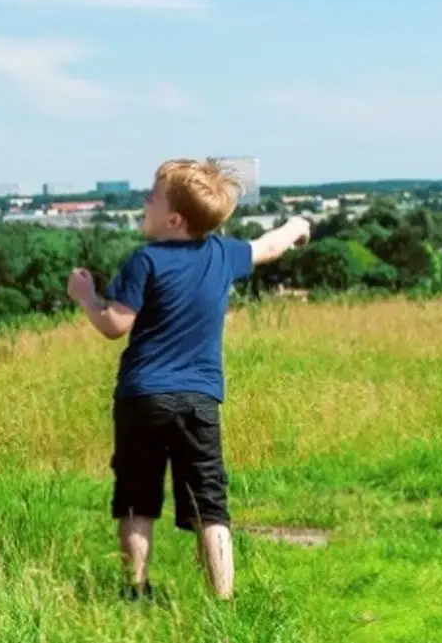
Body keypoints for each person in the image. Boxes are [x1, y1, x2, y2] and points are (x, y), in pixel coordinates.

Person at [66, 158, 310, 602]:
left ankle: (135, 591)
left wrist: (86, 297)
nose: (145, 200)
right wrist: (297, 226)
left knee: (137, 499)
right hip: (199, 399)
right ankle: (223, 601)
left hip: (142, 397)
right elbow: (269, 246)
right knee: (209, 506)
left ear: (174, 219)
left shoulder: (145, 261)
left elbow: (114, 325)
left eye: (153, 196)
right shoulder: (223, 254)